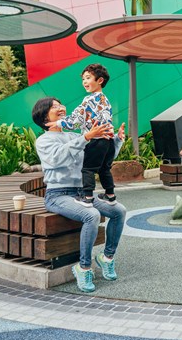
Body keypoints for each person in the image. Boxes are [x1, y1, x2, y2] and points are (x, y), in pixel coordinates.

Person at [33, 97, 128, 293]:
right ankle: (83, 267)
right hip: (58, 195)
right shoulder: (43, 140)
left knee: (119, 211)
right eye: (54, 107)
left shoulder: (73, 135)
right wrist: (85, 138)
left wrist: (116, 142)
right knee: (91, 215)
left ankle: (106, 258)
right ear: (44, 118)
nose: (60, 107)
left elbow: (96, 160)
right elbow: (57, 158)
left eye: (60, 104)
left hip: (82, 194)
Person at [49, 63, 116, 207]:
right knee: (104, 168)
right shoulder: (106, 100)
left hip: (96, 139)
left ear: (100, 80)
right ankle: (110, 195)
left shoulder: (89, 100)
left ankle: (88, 197)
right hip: (108, 140)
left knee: (88, 169)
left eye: (88, 78)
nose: (84, 82)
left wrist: (60, 123)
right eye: (83, 79)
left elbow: (76, 119)